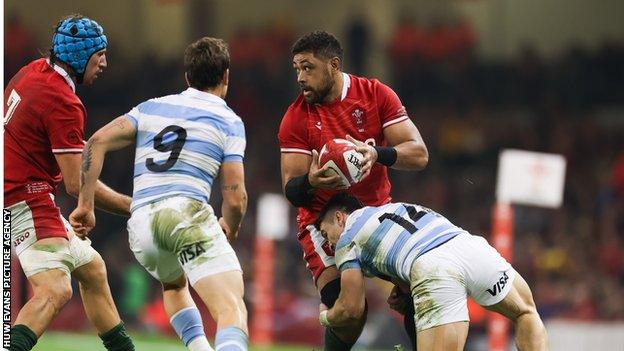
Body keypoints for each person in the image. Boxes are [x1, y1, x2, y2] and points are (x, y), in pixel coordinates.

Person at [70, 37, 249, 351]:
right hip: (185, 214)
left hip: (142, 227)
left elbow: (95, 142)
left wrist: (86, 204)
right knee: (231, 307)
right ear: (226, 77)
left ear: (187, 78)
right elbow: (235, 197)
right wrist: (230, 225)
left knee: (174, 283)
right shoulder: (229, 121)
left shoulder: (150, 108)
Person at [278, 30, 429, 350]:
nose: (300, 78)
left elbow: (419, 154)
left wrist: (378, 154)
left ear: (333, 65)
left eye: (307, 68)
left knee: (418, 296)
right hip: (323, 222)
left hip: (376, 214)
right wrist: (312, 182)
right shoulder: (296, 117)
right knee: (349, 314)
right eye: (296, 69)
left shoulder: (376, 95)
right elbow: (291, 191)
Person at [3, 15, 135, 351]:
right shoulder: (63, 101)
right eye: (99, 54)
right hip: (23, 198)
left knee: (92, 268)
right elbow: (77, 184)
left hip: (20, 191)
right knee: (56, 289)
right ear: (80, 56)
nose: (104, 62)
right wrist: (133, 207)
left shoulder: (33, 70)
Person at [315, 193, 549, 351]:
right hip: (468, 246)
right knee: (526, 313)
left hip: (433, 268)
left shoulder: (347, 239)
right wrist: (404, 290)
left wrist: (326, 316)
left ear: (339, 217)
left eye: (326, 234)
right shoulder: (397, 208)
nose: (330, 244)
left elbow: (352, 309)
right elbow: (410, 243)